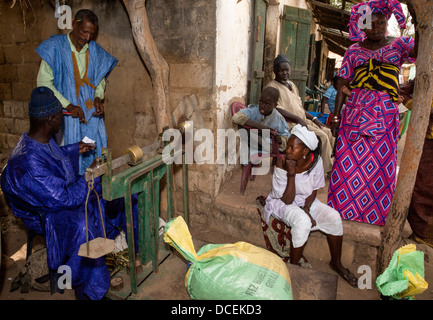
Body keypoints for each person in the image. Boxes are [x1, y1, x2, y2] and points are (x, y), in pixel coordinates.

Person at [0, 87, 124, 299]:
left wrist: (76, 147)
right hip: (46, 214)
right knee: (82, 225)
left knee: (116, 192)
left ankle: (112, 243)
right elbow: (66, 199)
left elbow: (52, 156)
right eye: (61, 115)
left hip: (56, 195)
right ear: (51, 119)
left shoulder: (40, 137)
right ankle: (90, 289)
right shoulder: (29, 162)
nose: (64, 119)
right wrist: (90, 173)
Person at [327, 0, 417, 226]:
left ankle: (374, 214)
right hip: (354, 115)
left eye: (381, 22)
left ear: (387, 22)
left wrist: (417, 21)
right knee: (347, 162)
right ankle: (342, 209)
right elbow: (342, 85)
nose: (376, 28)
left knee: (379, 164)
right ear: (361, 26)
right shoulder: (353, 51)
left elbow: (420, 49)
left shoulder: (400, 45)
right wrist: (336, 115)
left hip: (384, 116)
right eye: (370, 24)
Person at [264, 124, 357, 286]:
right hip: (282, 203)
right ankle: (293, 268)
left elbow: (314, 190)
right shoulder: (281, 162)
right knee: (303, 222)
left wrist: (306, 209)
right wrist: (291, 174)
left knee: (334, 217)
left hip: (306, 202)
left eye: (293, 148)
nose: (288, 150)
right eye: (288, 146)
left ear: (306, 152)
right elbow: (286, 199)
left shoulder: (316, 162)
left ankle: (336, 263)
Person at [36, 9, 118, 175]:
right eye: (84, 32)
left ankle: (92, 197)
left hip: (90, 117)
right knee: (67, 163)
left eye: (91, 34)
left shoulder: (94, 50)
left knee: (96, 161)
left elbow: (101, 79)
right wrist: (69, 105)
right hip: (65, 119)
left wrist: (98, 97)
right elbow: (43, 84)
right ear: (74, 24)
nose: (87, 38)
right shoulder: (55, 47)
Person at [266, 54, 335, 174]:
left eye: (287, 70)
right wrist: (299, 120)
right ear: (275, 71)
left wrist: (314, 119)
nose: (285, 73)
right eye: (281, 70)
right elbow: (277, 109)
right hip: (289, 125)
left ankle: (329, 163)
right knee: (322, 138)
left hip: (301, 121)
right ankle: (327, 170)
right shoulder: (272, 87)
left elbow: (299, 108)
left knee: (328, 132)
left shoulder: (291, 85)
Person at [399, 79, 433, 247]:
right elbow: (402, 93)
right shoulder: (426, 75)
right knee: (424, 186)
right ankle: (420, 232)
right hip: (429, 138)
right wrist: (424, 109)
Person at [232, 86, 291, 154]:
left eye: (267, 104)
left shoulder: (279, 119)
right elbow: (236, 117)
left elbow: (286, 136)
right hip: (252, 141)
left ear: (275, 105)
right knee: (244, 129)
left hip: (269, 144)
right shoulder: (254, 110)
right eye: (261, 102)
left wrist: (281, 140)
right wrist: (260, 127)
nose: (262, 106)